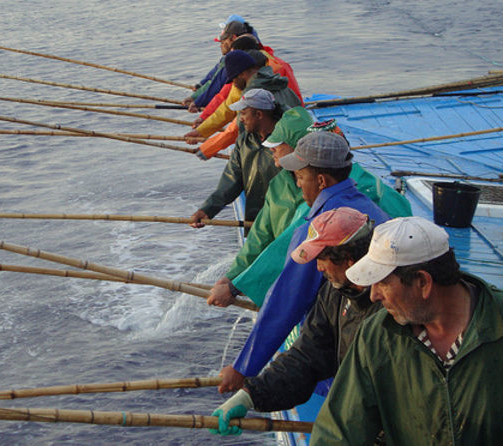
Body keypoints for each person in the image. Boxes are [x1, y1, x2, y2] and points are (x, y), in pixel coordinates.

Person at [218, 132, 391, 393]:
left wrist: (244, 368)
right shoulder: (374, 211)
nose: (298, 185)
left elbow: (286, 301)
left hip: (344, 362)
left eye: (300, 177)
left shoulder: (318, 232)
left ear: (320, 180)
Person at [310, 217, 503, 445]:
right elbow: (338, 431)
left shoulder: (496, 320)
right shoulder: (376, 336)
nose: (373, 295)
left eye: (382, 283)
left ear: (423, 282)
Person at [206, 111, 411, 308]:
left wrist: (237, 286)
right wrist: (233, 276)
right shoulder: (282, 184)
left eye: (277, 146)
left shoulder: (329, 205)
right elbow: (261, 234)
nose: (272, 151)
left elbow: (288, 251)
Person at [210, 207, 383, 435]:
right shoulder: (334, 294)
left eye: (322, 259)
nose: (318, 268)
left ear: (349, 261)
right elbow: (307, 356)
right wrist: (251, 395)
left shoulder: (390, 309)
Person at [189, 88, 283, 229]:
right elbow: (232, 178)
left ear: (259, 114)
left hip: (283, 219)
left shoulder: (285, 142)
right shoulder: (244, 141)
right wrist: (207, 209)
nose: (240, 119)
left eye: (243, 113)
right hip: (257, 220)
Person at [185, 49, 301, 144]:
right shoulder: (277, 82)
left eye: (234, 79)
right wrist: (201, 131)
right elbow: (227, 109)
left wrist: (206, 149)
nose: (233, 84)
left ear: (242, 74)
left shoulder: (252, 97)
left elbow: (237, 130)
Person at [183, 19, 256, 111]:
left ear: (233, 38)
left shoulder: (236, 58)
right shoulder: (254, 49)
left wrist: (198, 102)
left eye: (223, 42)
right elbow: (214, 78)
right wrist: (199, 90)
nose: (221, 45)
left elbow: (219, 84)